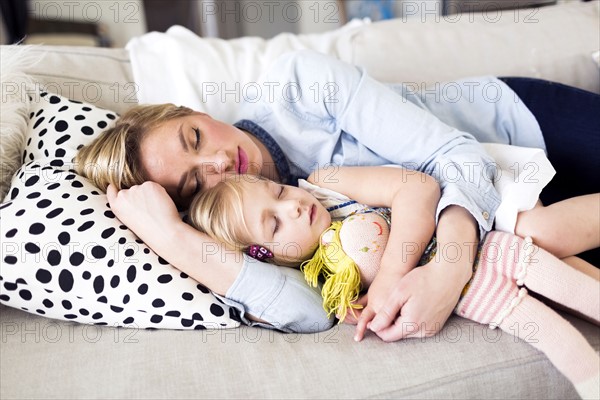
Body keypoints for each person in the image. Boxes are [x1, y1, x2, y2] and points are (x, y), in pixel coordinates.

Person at [76, 50, 600, 338]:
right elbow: (307, 312)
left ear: (194, 112)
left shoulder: (300, 85)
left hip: (519, 132)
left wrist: (447, 269)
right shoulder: (248, 225)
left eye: (194, 137)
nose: (217, 161)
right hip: (512, 220)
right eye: (194, 181)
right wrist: (169, 237)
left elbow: (455, 156)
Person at [185, 166, 599, 399]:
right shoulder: (318, 277)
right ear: (265, 255)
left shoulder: (323, 182)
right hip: (477, 285)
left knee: (563, 260)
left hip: (475, 220)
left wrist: (389, 277)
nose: (292, 206)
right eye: (274, 223)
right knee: (558, 308)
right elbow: (352, 312)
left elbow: (415, 185)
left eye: (278, 191)